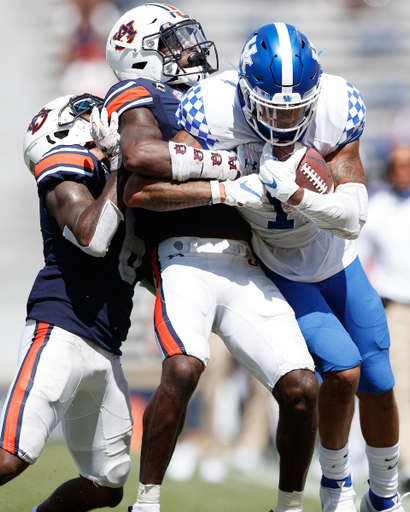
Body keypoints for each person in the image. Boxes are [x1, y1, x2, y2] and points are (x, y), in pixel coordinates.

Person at [122, 22, 404, 512]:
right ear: (247, 93)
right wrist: (229, 185)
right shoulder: (213, 108)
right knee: (342, 372)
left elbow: (353, 216)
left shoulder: (337, 103)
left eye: (297, 106)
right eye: (274, 106)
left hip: (336, 257)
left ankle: (383, 495)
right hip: (278, 265)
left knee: (379, 381)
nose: (287, 117)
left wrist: (295, 194)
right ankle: (336, 488)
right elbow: (145, 190)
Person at [100, 4, 319, 512]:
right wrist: (229, 179)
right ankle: (148, 502)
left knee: (303, 386)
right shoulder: (142, 94)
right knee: (183, 368)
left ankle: (288, 507)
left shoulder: (225, 94)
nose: (192, 50)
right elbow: (138, 165)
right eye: (175, 42)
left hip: (247, 261)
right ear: (141, 57)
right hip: (183, 257)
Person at [0, 93, 143, 512]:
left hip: (107, 342)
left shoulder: (114, 180)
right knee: (9, 458)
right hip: (62, 327)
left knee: (105, 488)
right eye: (87, 114)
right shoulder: (63, 170)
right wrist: (119, 162)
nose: (102, 119)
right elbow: (93, 237)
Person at [357, 144, 410, 493]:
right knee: (401, 388)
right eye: (397, 165)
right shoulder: (379, 206)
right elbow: (359, 257)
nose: (402, 170)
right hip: (398, 308)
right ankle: (407, 463)